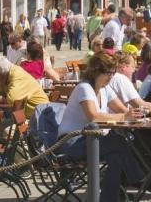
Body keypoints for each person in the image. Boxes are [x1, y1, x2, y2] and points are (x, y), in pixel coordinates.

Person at [57, 53, 143, 202]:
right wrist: (124, 117)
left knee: (116, 155)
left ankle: (108, 199)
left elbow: (123, 111)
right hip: (71, 142)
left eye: (113, 72)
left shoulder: (105, 89)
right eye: (108, 73)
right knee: (119, 143)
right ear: (96, 71)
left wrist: (136, 115)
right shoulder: (84, 88)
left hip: (91, 140)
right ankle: (141, 180)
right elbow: (94, 117)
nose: (111, 77)